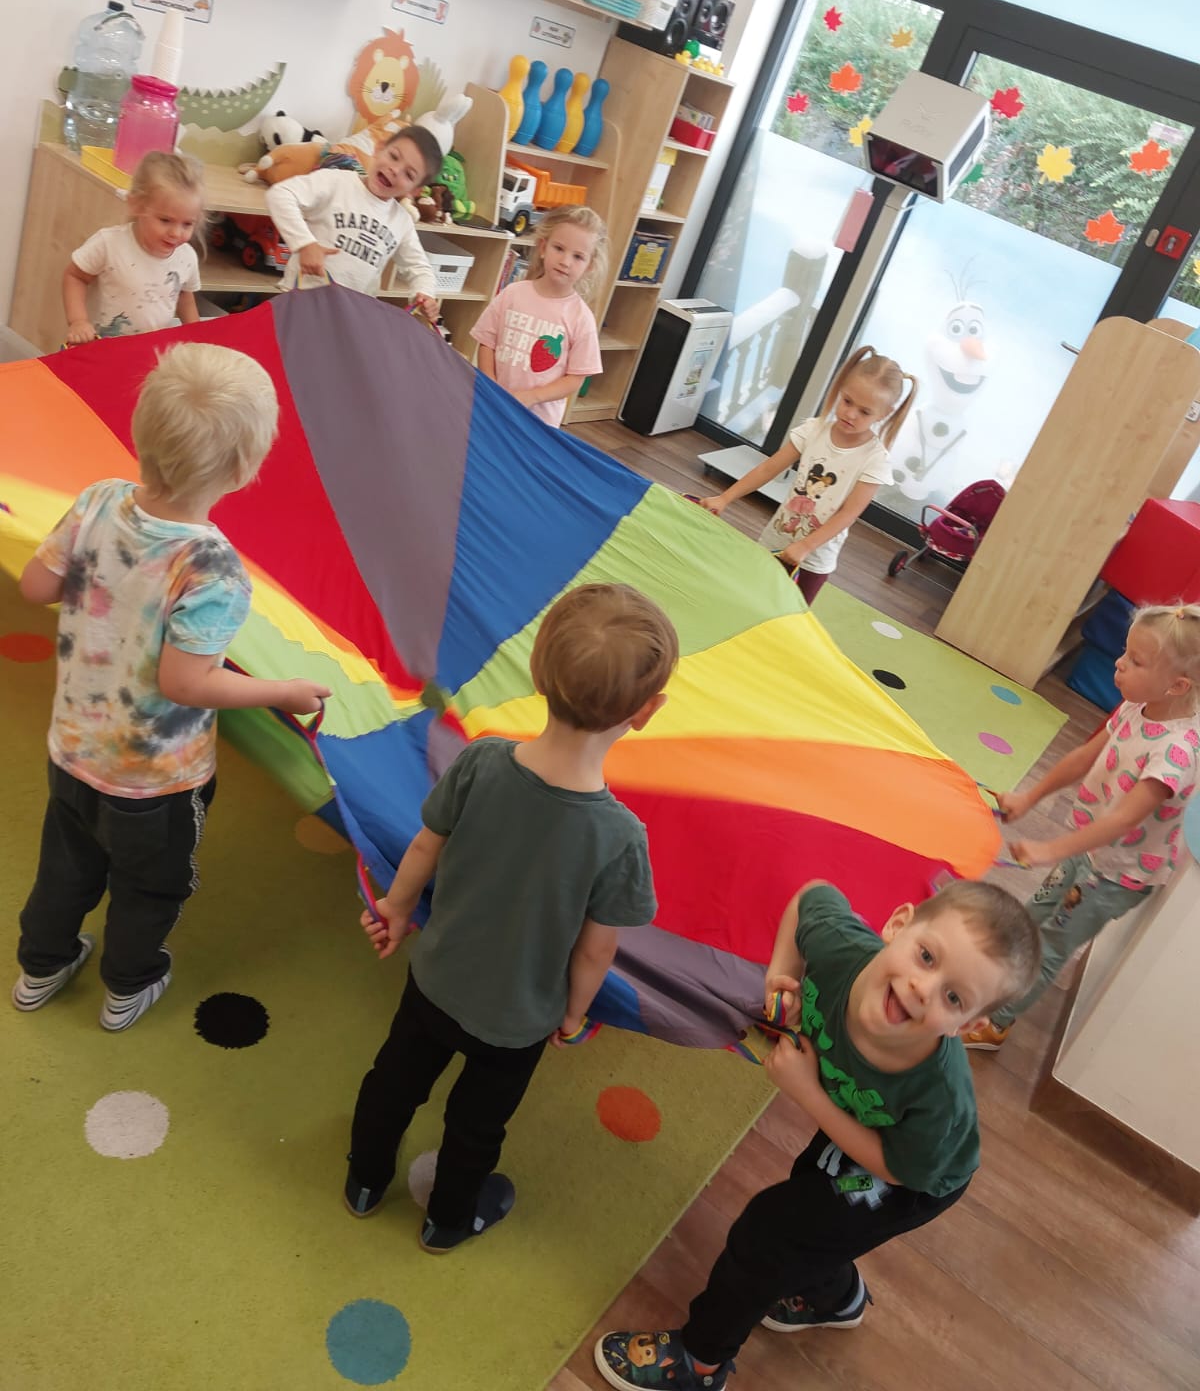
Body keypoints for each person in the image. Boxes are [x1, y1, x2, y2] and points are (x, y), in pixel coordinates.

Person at [595, 878, 1040, 1391]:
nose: (924, 988)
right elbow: (812, 895)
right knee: (811, 1199)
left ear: (967, 1025)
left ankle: (700, 1363)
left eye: (954, 996)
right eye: (926, 956)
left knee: (768, 1231)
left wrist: (808, 1093)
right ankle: (834, 1295)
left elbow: (898, 1169)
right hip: (859, 1125)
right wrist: (780, 975)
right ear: (898, 924)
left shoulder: (939, 1096)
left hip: (907, 1178)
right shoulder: (839, 947)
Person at [344, 581, 677, 1252]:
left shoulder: (482, 761)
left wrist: (396, 908)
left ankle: (364, 1180)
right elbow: (596, 950)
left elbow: (425, 846)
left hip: (435, 979)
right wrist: (574, 1013)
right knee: (477, 1125)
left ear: (537, 671)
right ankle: (447, 1221)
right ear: (647, 711)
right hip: (519, 1020)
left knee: (393, 1082)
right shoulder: (619, 837)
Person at [12, 343, 330, 1032]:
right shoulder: (213, 567)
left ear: (138, 432)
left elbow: (36, 586)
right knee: (150, 885)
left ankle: (40, 966)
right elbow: (186, 682)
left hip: (73, 749)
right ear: (245, 469)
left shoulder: (97, 499)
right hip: (153, 783)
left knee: (66, 866)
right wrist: (282, 691)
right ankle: (129, 984)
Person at [964, 601, 1200, 1052]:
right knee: (1036, 912)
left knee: (1053, 943)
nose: (1119, 663)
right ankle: (994, 977)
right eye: (1125, 652)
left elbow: (1125, 820)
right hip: (1086, 851)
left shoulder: (1176, 754)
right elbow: (1082, 758)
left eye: (1135, 660)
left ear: (1177, 685)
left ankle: (997, 1023)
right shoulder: (1138, 705)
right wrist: (1029, 797)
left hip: (1115, 876)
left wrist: (1051, 850)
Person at [698, 346, 917, 603]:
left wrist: (806, 546)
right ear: (840, 389)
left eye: (865, 411)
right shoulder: (813, 430)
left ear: (885, 413)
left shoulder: (875, 459)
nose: (850, 414)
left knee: (787, 616)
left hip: (814, 560)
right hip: (774, 540)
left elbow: (849, 514)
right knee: (747, 601)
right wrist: (725, 498)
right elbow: (768, 468)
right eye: (847, 401)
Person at [265, 124, 441, 322]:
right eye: (393, 156)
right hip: (299, 305)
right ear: (379, 148)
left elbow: (419, 267)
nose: (395, 169)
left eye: (409, 175)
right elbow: (281, 194)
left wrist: (425, 294)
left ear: (415, 190)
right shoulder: (336, 181)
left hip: (351, 319)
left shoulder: (402, 221)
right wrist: (305, 244)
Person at [470, 206, 608, 427]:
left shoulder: (581, 318)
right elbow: (487, 343)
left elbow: (576, 378)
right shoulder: (513, 293)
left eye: (578, 257)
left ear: (589, 266)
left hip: (538, 422)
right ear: (543, 247)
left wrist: (532, 397)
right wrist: (491, 385)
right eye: (559, 248)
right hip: (493, 407)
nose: (565, 261)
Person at [63, 151, 205, 345]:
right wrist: (78, 321)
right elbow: (75, 276)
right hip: (101, 347)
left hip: (150, 349)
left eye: (187, 224)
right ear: (136, 205)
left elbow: (184, 295)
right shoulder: (109, 243)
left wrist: (196, 335)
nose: (176, 233)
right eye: (165, 220)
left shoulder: (187, 257)